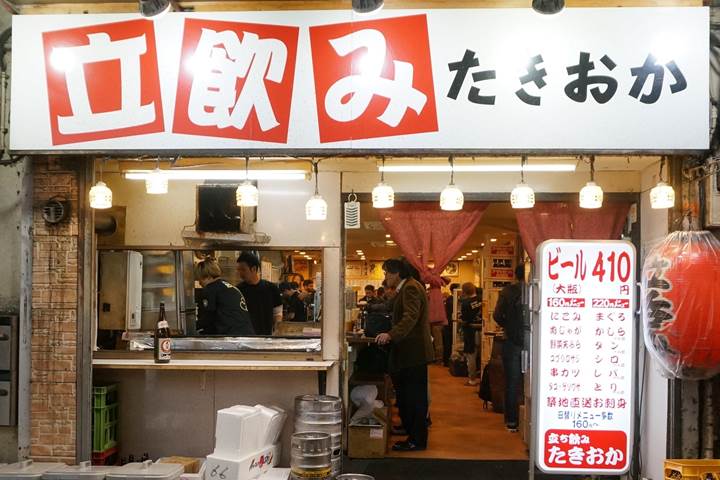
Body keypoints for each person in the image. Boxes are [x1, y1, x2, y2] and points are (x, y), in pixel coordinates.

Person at [376, 258, 434, 452]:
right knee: (407, 395)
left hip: (413, 351)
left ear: (396, 273)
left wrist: (390, 334)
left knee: (413, 396)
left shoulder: (410, 288)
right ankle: (411, 429)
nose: (385, 277)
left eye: (386, 273)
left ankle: (416, 439)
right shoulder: (408, 286)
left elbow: (411, 316)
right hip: (411, 350)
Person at [493, 264, 525, 432]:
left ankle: (511, 421)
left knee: (512, 382)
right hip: (536, 342)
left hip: (512, 341)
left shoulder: (508, 291)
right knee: (535, 382)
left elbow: (497, 315)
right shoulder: (541, 288)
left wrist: (509, 326)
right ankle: (532, 420)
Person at [194, 258, 255, 336]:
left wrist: (190, 329)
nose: (199, 283)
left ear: (208, 276)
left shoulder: (210, 289)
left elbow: (208, 318)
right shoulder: (228, 287)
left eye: (200, 279)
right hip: (248, 334)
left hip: (232, 336)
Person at [236, 251, 283, 336]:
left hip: (267, 336)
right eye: (238, 270)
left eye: (243, 269)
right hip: (245, 337)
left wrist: (277, 329)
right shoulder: (238, 290)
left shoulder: (271, 288)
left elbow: (277, 313)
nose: (240, 273)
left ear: (253, 269)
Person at [459, 282, 482, 386]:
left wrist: (460, 321)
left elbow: (465, 320)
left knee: (471, 355)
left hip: (470, 332)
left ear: (464, 291)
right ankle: (482, 378)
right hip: (482, 330)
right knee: (482, 355)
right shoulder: (481, 299)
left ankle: (472, 379)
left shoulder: (465, 303)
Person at [442, 283, 460, 366]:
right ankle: (447, 362)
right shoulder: (451, 300)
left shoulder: (450, 299)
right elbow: (451, 314)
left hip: (447, 324)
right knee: (448, 344)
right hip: (449, 325)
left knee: (448, 344)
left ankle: (446, 361)